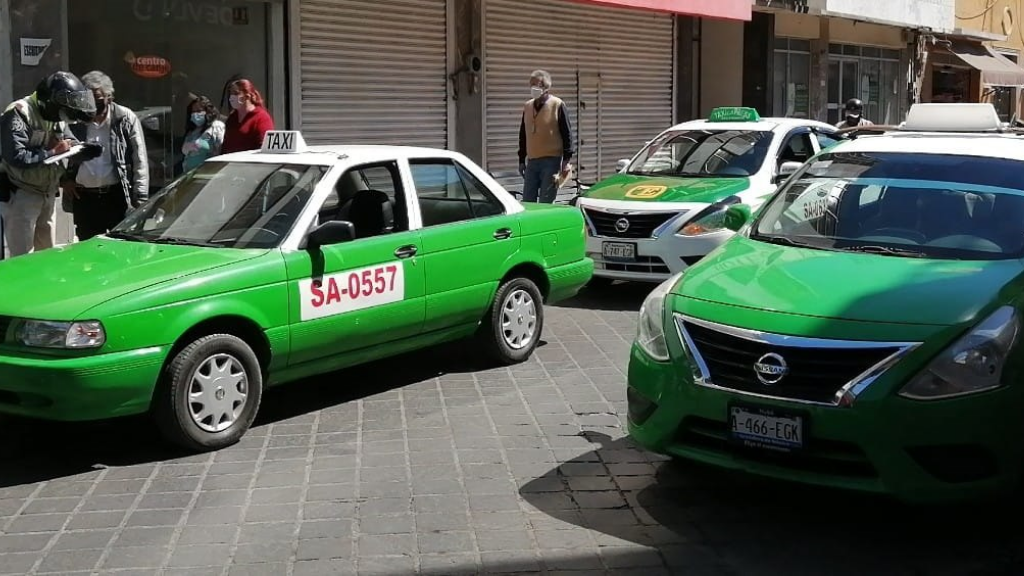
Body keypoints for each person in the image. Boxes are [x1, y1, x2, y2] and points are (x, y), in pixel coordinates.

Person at [0, 71, 99, 257]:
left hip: (47, 193)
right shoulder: (20, 113)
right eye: (63, 113)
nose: (64, 118)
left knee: (46, 255)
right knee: (23, 258)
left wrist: (82, 149)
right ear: (52, 104)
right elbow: (16, 156)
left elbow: (68, 139)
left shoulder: (56, 118)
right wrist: (53, 152)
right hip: (21, 194)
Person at [64, 70, 149, 241]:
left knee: (120, 246)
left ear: (109, 97)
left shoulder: (124, 118)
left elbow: (139, 159)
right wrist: (63, 178)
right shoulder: (75, 120)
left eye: (97, 98)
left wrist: (140, 197)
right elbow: (58, 147)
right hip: (84, 198)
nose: (93, 104)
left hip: (116, 196)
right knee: (88, 250)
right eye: (88, 99)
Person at [517, 70, 573, 204]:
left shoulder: (557, 104)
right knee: (527, 200)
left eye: (536, 85)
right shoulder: (528, 106)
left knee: (546, 201)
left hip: (551, 161)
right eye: (531, 85)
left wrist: (566, 160)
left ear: (546, 87)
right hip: (532, 161)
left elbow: (567, 134)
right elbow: (523, 134)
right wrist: (521, 159)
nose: (533, 88)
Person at [221, 79, 274, 154]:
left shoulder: (261, 118)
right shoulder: (232, 118)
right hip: (231, 163)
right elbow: (225, 145)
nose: (232, 97)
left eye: (236, 93)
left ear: (247, 96)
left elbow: (263, 147)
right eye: (231, 94)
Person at [181, 95, 225, 173]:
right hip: (189, 175)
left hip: (208, 174)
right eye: (193, 112)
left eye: (198, 111)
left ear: (207, 111)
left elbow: (221, 150)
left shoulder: (216, 126)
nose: (195, 114)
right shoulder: (193, 131)